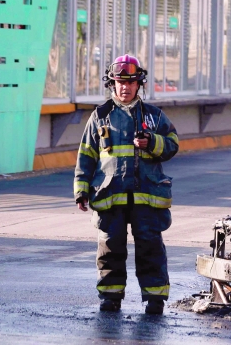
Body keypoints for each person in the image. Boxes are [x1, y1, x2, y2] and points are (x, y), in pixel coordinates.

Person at [74, 55, 179, 315]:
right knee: (110, 247)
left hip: (147, 198)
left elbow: (173, 143)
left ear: (139, 84)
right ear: (112, 84)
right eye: (120, 82)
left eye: (131, 82)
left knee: (150, 247)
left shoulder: (154, 117)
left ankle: (155, 299)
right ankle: (110, 297)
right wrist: (81, 190)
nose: (125, 87)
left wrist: (152, 143)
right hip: (111, 197)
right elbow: (86, 156)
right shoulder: (100, 117)